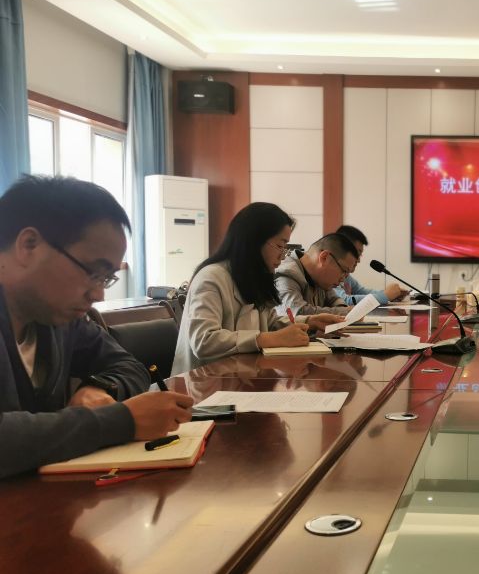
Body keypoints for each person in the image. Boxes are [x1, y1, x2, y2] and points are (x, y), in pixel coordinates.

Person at [0, 176, 193, 479]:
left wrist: (100, 389)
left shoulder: (61, 320)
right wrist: (120, 421)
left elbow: (129, 366)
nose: (99, 295)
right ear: (29, 245)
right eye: (93, 272)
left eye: (107, 278)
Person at [172, 203, 344, 375]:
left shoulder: (255, 276)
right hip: (202, 382)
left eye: (286, 248)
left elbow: (270, 322)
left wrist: (310, 322)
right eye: (280, 246)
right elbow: (204, 341)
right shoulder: (211, 278)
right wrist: (268, 339)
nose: (283, 255)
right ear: (254, 241)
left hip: (240, 376)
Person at [275, 232, 358, 315]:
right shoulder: (286, 274)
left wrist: (344, 309)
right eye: (344, 271)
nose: (343, 280)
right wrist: (346, 312)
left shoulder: (321, 279)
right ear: (324, 257)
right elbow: (295, 313)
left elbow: (335, 300)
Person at [333, 225, 407, 304]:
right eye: (356, 254)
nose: (359, 260)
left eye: (360, 255)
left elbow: (362, 292)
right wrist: (385, 296)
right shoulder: (331, 274)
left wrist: (390, 294)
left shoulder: (347, 276)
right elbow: (344, 301)